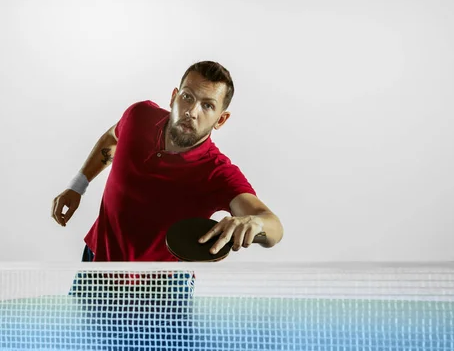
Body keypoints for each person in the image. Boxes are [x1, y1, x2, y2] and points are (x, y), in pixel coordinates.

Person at [52, 60, 283, 262]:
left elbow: (273, 225)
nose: (191, 111)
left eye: (207, 105)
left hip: (163, 287)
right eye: (187, 97)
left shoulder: (217, 172)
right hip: (98, 262)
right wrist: (78, 185)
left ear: (220, 120)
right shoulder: (138, 116)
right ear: (174, 97)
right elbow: (112, 138)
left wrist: (256, 224)